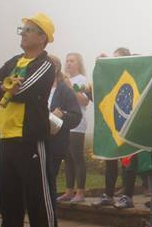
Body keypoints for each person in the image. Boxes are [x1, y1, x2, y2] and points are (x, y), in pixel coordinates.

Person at [0, 14, 59, 227]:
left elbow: (25, 91)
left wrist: (8, 90)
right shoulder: (15, 61)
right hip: (6, 135)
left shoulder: (45, 65)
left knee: (38, 195)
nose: (23, 33)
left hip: (29, 138)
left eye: (29, 30)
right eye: (22, 29)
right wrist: (8, 88)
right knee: (8, 195)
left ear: (42, 37)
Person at [95, 47, 132, 207]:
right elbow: (98, 95)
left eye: (117, 59)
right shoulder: (111, 78)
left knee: (128, 162)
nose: (114, 62)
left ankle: (127, 196)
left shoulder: (131, 75)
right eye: (113, 59)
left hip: (129, 124)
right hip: (113, 125)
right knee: (110, 160)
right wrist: (101, 65)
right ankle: (108, 195)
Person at [45, 54, 82, 208]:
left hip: (54, 143)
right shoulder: (36, 87)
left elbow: (76, 116)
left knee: (49, 179)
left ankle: (49, 215)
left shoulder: (64, 90)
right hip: (35, 141)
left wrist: (62, 115)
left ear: (55, 68)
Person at [58, 52, 91, 203]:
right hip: (64, 123)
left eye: (72, 61)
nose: (68, 63)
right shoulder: (63, 80)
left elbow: (85, 101)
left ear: (79, 64)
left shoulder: (82, 80)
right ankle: (69, 191)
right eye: (67, 60)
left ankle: (81, 192)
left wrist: (70, 88)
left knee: (77, 157)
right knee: (67, 158)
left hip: (78, 123)